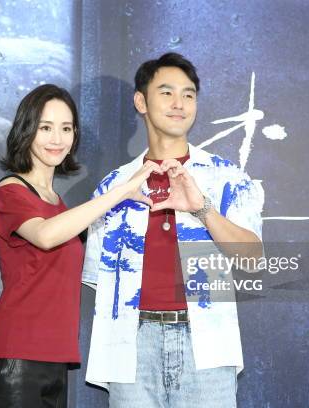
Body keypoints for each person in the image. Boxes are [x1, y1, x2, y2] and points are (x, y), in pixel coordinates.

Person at [82, 53, 264, 407]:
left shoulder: (225, 176)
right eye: (166, 93)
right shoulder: (114, 186)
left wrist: (202, 208)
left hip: (207, 346)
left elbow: (253, 258)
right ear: (141, 102)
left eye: (189, 94)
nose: (179, 103)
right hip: (130, 349)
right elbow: (97, 279)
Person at [0, 84, 161, 408]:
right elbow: (46, 235)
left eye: (66, 128)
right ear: (26, 130)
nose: (57, 139)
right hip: (17, 359)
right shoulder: (11, 191)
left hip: (56, 362)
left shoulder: (59, 204)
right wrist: (120, 191)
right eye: (45, 127)